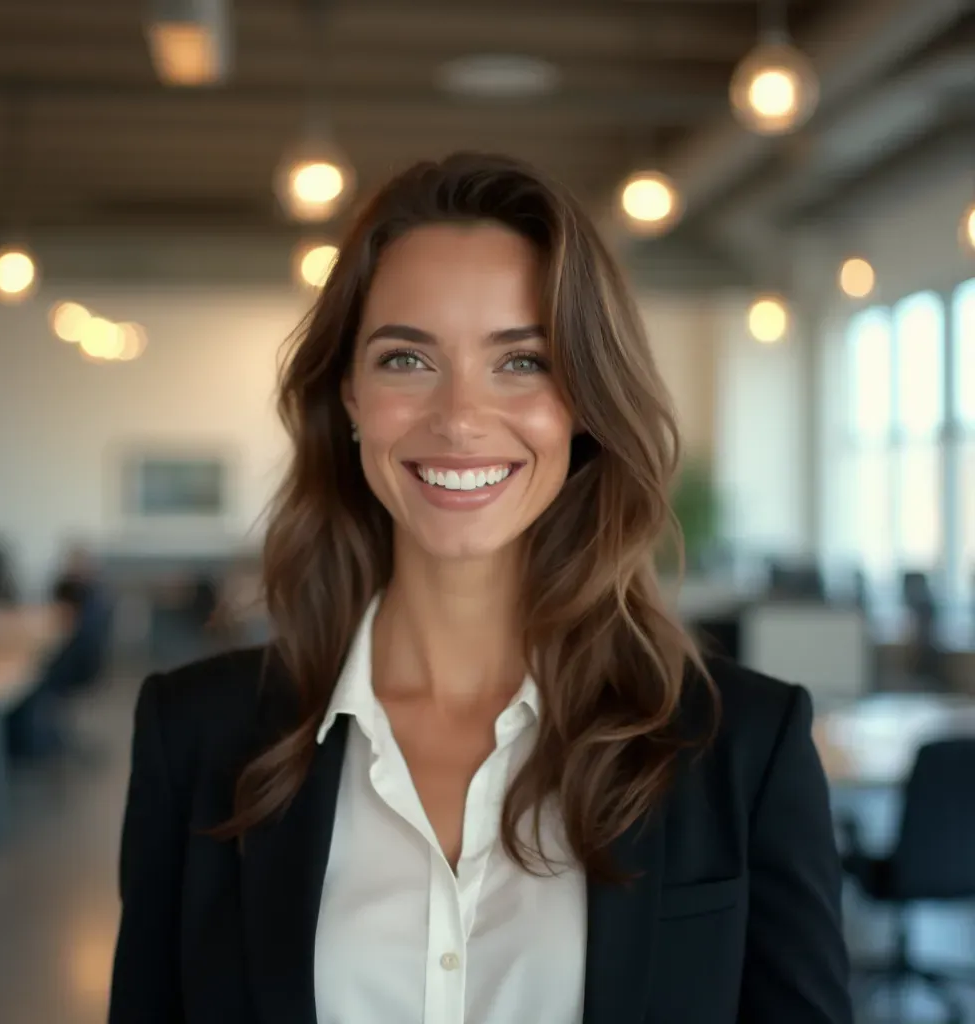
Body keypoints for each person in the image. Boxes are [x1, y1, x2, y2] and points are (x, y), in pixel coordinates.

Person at [108, 153, 853, 1024]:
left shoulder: (743, 749)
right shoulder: (196, 737)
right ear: (347, 394)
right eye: (405, 360)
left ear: (585, 404)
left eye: (522, 362)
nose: (459, 418)